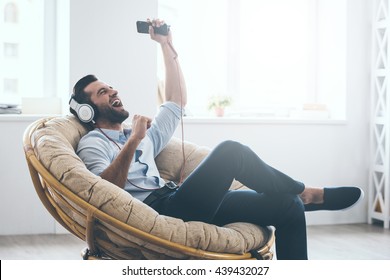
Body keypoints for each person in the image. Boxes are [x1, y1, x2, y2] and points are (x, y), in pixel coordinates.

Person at [69, 19, 363, 260]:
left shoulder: (145, 137)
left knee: (288, 208)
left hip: (176, 199)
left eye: (111, 87)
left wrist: (167, 46)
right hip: (159, 212)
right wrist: (133, 141)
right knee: (231, 151)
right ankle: (304, 191)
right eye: (102, 93)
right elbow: (103, 192)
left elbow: (176, 101)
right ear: (87, 110)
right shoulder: (93, 142)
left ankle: (297, 198)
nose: (113, 92)